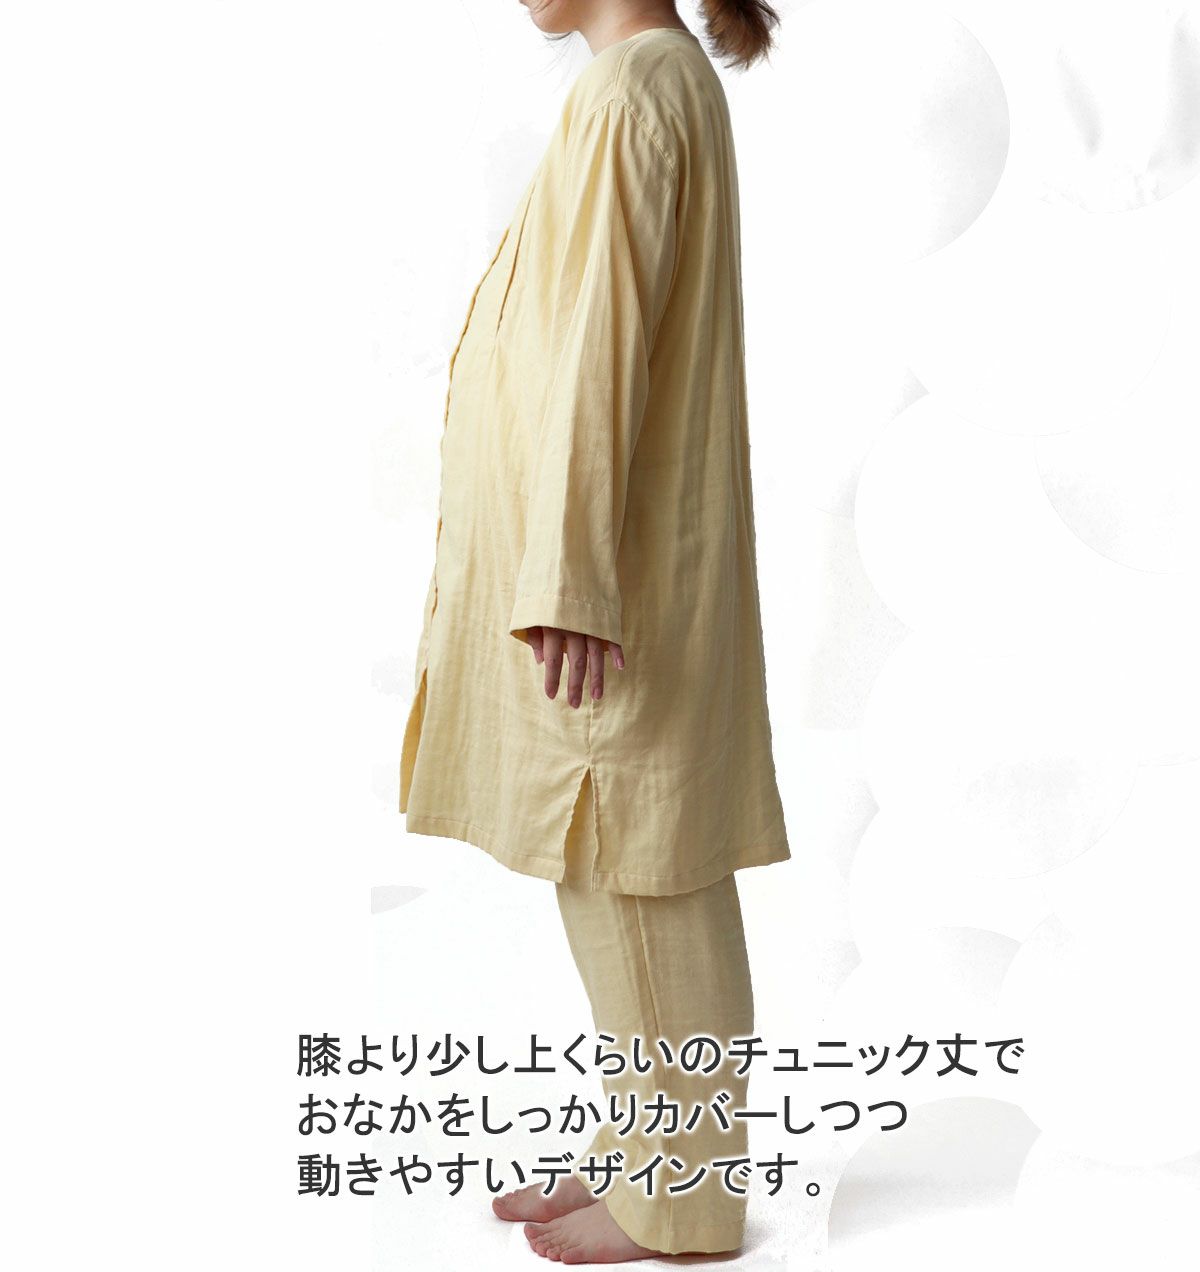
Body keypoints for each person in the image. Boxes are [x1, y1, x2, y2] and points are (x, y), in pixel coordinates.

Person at [399, 0, 788, 1260]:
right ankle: (641, 1150)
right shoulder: (646, 83)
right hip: (615, 557)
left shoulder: (631, 94)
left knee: (639, 863)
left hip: (609, 572)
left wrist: (570, 578)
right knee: (614, 860)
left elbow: (596, 345)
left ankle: (681, 1204)